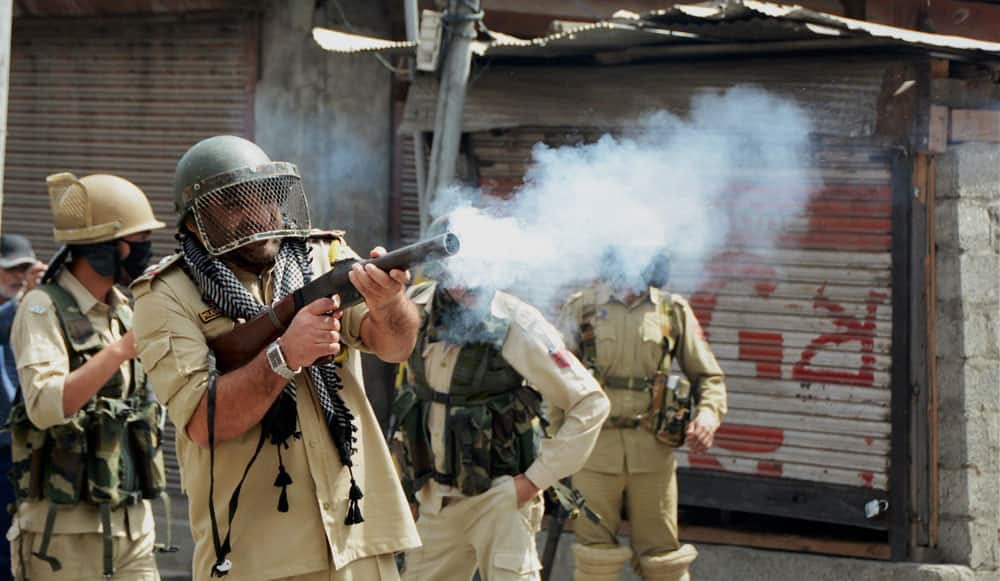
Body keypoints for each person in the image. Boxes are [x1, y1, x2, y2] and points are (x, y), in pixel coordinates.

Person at [131, 135, 421, 581]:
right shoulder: (167, 294)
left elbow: (395, 346)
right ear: (194, 224)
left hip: (358, 536)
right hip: (257, 556)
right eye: (232, 205)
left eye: (264, 198)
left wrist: (389, 303)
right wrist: (283, 356)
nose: (257, 215)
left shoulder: (323, 257)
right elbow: (204, 423)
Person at [390, 214, 610, 581]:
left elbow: (590, 402)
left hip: (499, 499)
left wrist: (532, 481)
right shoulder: (416, 306)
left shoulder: (516, 321)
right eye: (456, 276)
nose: (465, 289)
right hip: (434, 500)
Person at [7, 172, 167, 580]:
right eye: (138, 241)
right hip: (64, 536)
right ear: (103, 249)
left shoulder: (126, 311)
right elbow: (45, 407)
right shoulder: (42, 309)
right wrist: (120, 351)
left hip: (133, 526)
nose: (145, 251)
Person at [558, 250, 727, 581]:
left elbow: (709, 378)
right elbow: (554, 378)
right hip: (593, 453)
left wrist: (707, 417)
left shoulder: (671, 309)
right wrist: (553, 446)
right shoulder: (582, 307)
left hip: (653, 452)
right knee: (595, 560)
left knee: (664, 561)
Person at [0, 234, 45, 580]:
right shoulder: (13, 309)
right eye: (10, 270)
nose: (19, 277)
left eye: (25, 269)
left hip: (28, 448)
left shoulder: (32, 306)